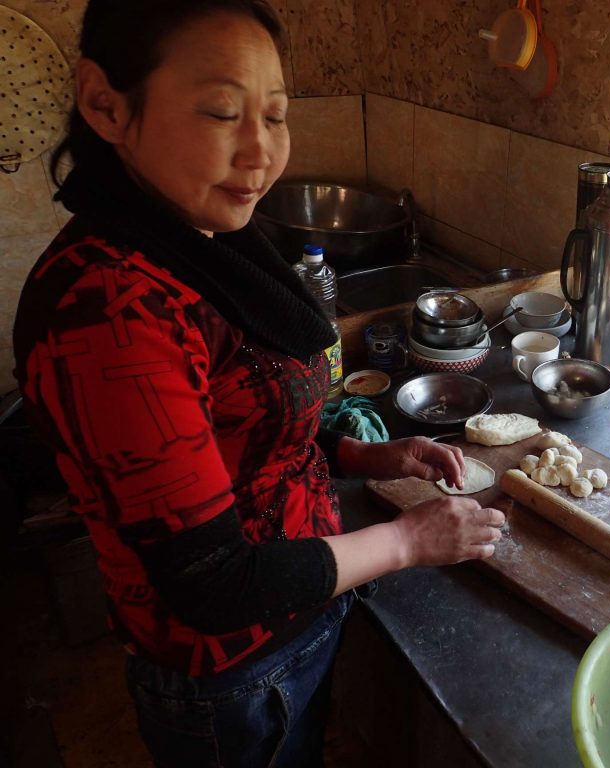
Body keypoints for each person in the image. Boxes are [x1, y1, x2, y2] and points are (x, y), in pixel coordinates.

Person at [11, 1, 505, 766]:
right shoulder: (108, 309)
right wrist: (410, 539)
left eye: (274, 116)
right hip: (230, 671)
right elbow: (214, 583)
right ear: (105, 104)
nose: (261, 154)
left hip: (299, 607)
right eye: (221, 112)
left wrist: (366, 456)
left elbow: (247, 424)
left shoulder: (204, 243)